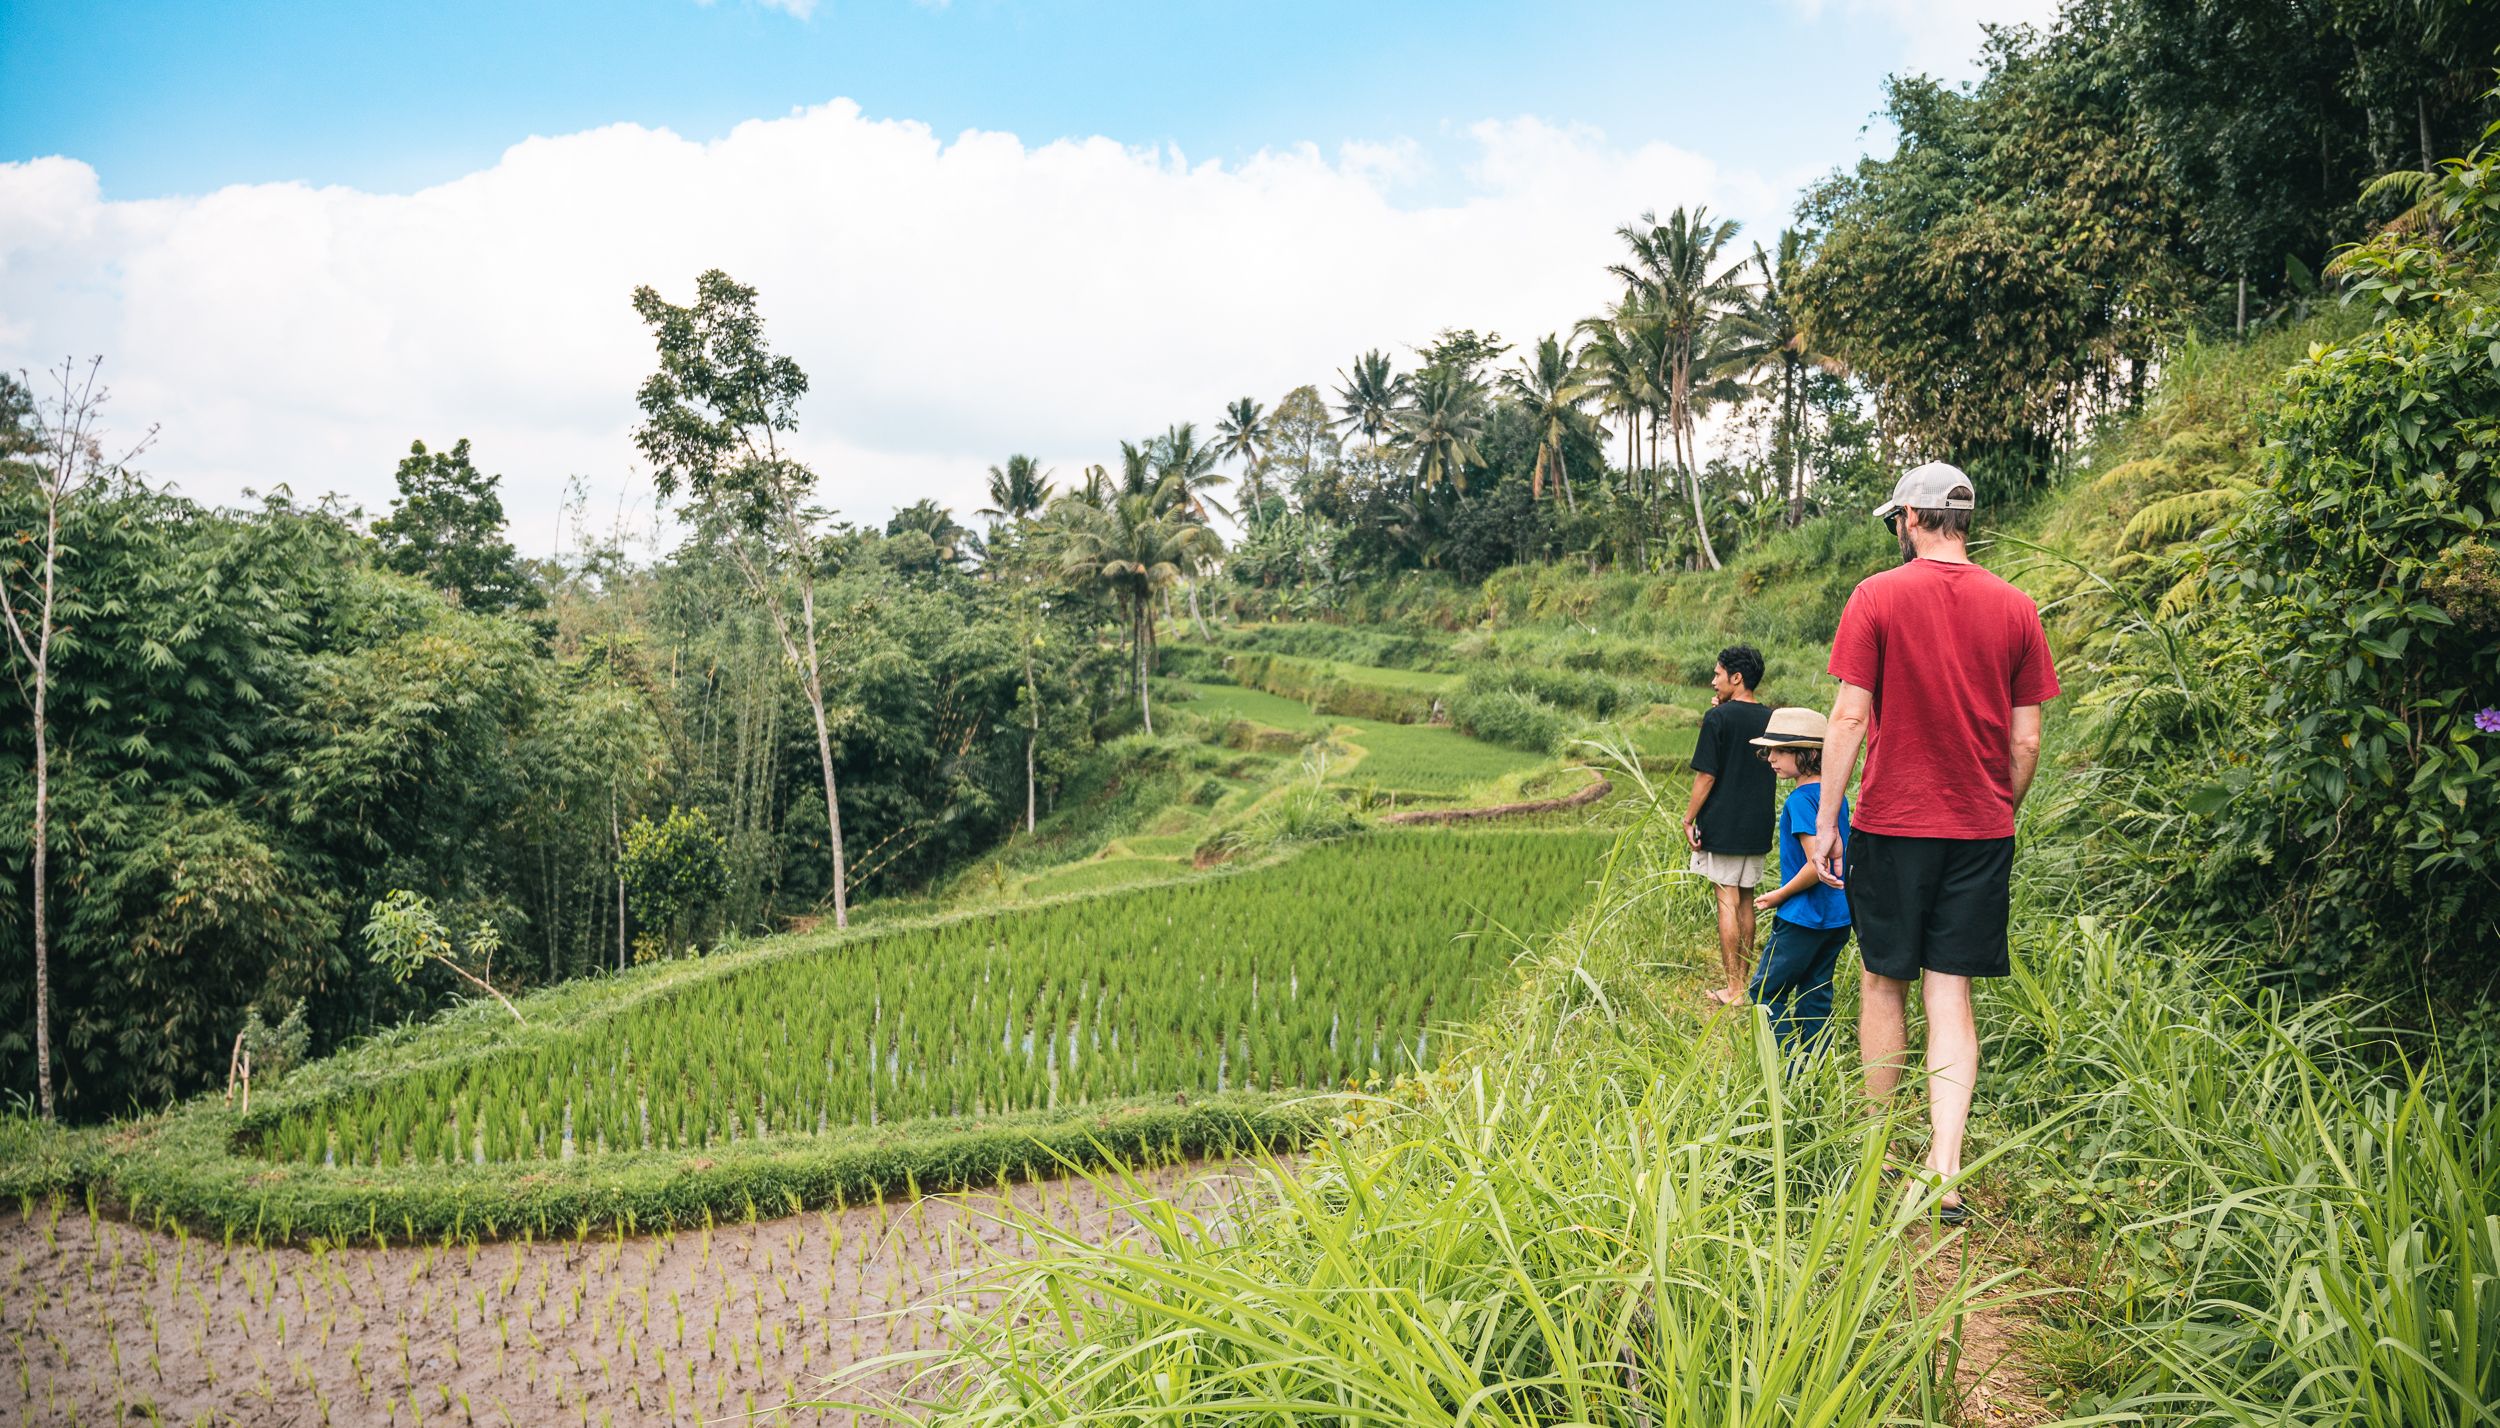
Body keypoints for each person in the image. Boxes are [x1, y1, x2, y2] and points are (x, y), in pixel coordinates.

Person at [1809, 461, 2057, 1225]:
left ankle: (1879, 1157)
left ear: (1911, 521)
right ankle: (1944, 1173)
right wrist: (1993, 808)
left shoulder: (1878, 595)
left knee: (1885, 981)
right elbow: (2028, 741)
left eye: (1896, 522)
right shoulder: (2017, 607)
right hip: (1980, 828)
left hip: (1891, 822)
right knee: (1952, 993)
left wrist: (1826, 821)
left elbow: (1849, 719)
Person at [1747, 707, 1851, 1058]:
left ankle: (1786, 1071)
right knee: (1814, 992)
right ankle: (1816, 1067)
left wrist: (1779, 894)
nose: (1771, 759)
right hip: (1837, 916)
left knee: (1765, 994)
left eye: (1780, 751)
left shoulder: (1800, 800)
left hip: (1803, 918)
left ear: (1807, 754)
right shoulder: (1836, 796)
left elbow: (1815, 863)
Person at [1684, 645, 1775, 1006]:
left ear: (1736, 678)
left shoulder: (1717, 719)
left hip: (1722, 822)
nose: (1713, 680)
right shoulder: (1770, 717)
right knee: (1746, 900)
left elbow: (1706, 776)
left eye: (1718, 674)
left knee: (1726, 899)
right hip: (1757, 822)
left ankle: (1734, 989)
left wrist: (1688, 817)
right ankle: (1746, 984)